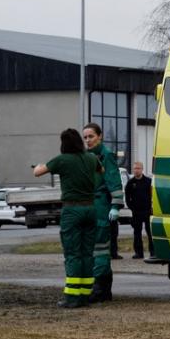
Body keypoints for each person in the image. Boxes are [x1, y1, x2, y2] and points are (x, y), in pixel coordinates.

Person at [32, 129, 102, 308]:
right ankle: (85, 294)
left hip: (72, 210)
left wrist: (40, 164)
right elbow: (101, 170)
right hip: (90, 208)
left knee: (72, 254)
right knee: (87, 253)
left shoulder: (62, 160)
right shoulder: (91, 158)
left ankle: (72, 297)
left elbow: (38, 172)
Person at [83, 122, 123, 302]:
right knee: (95, 248)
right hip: (91, 205)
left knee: (99, 248)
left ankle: (100, 289)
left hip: (101, 205)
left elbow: (113, 180)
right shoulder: (87, 156)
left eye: (91, 136)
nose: (87, 140)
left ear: (100, 136)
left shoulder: (105, 155)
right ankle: (105, 289)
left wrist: (115, 206)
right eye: (85, 137)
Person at [124, 161, 153, 259]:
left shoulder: (148, 181)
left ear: (142, 169)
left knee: (150, 232)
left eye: (138, 168)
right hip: (136, 212)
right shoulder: (130, 183)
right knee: (137, 233)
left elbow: (152, 196)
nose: (136, 170)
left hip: (148, 211)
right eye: (135, 168)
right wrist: (132, 208)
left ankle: (153, 252)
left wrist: (151, 207)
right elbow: (127, 198)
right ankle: (139, 253)